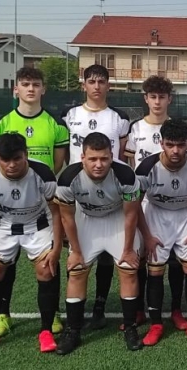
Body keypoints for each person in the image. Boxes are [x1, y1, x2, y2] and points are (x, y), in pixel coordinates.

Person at [0, 66, 68, 337]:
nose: (30, 89)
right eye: (25, 84)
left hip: (42, 203)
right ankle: (3, 313)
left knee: (49, 260)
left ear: (43, 89)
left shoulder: (56, 124)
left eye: (35, 84)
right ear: (16, 89)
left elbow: (57, 164)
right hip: (8, 206)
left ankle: (52, 313)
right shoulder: (1, 124)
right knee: (4, 261)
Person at [0, 133, 62, 354]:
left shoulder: (43, 173)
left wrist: (56, 247)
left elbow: (56, 211)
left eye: (17, 158)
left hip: (37, 223)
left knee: (46, 269)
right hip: (5, 224)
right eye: (5, 159)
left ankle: (46, 331)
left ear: (25, 154)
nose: (11, 165)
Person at [54, 133, 143, 354]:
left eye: (104, 158)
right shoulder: (67, 179)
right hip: (87, 219)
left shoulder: (126, 175)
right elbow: (67, 218)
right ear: (82, 157)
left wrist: (128, 250)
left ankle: (130, 327)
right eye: (92, 159)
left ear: (111, 156)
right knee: (76, 270)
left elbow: (131, 215)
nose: (98, 164)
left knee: (129, 269)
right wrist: (75, 251)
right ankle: (73, 330)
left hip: (117, 219)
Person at [62, 64, 133, 330]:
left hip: (111, 194)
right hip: (81, 194)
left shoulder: (119, 118)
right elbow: (65, 156)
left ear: (108, 86)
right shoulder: (69, 115)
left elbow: (122, 156)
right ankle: (75, 317)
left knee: (107, 256)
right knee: (77, 257)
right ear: (83, 85)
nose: (96, 86)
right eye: (91, 81)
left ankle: (100, 307)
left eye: (101, 81)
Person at [135, 119, 187, 345]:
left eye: (180, 145)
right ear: (161, 144)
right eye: (170, 145)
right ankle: (156, 324)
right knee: (155, 270)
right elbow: (135, 204)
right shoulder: (146, 167)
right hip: (157, 214)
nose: (176, 151)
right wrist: (147, 236)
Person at [123, 75, 187, 332]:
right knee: (142, 257)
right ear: (146, 99)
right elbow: (130, 165)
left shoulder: (177, 129)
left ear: (170, 99)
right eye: (153, 97)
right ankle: (140, 309)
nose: (158, 102)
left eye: (162, 97)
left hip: (173, 201)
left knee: (175, 258)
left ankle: (176, 309)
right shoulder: (136, 129)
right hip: (144, 202)